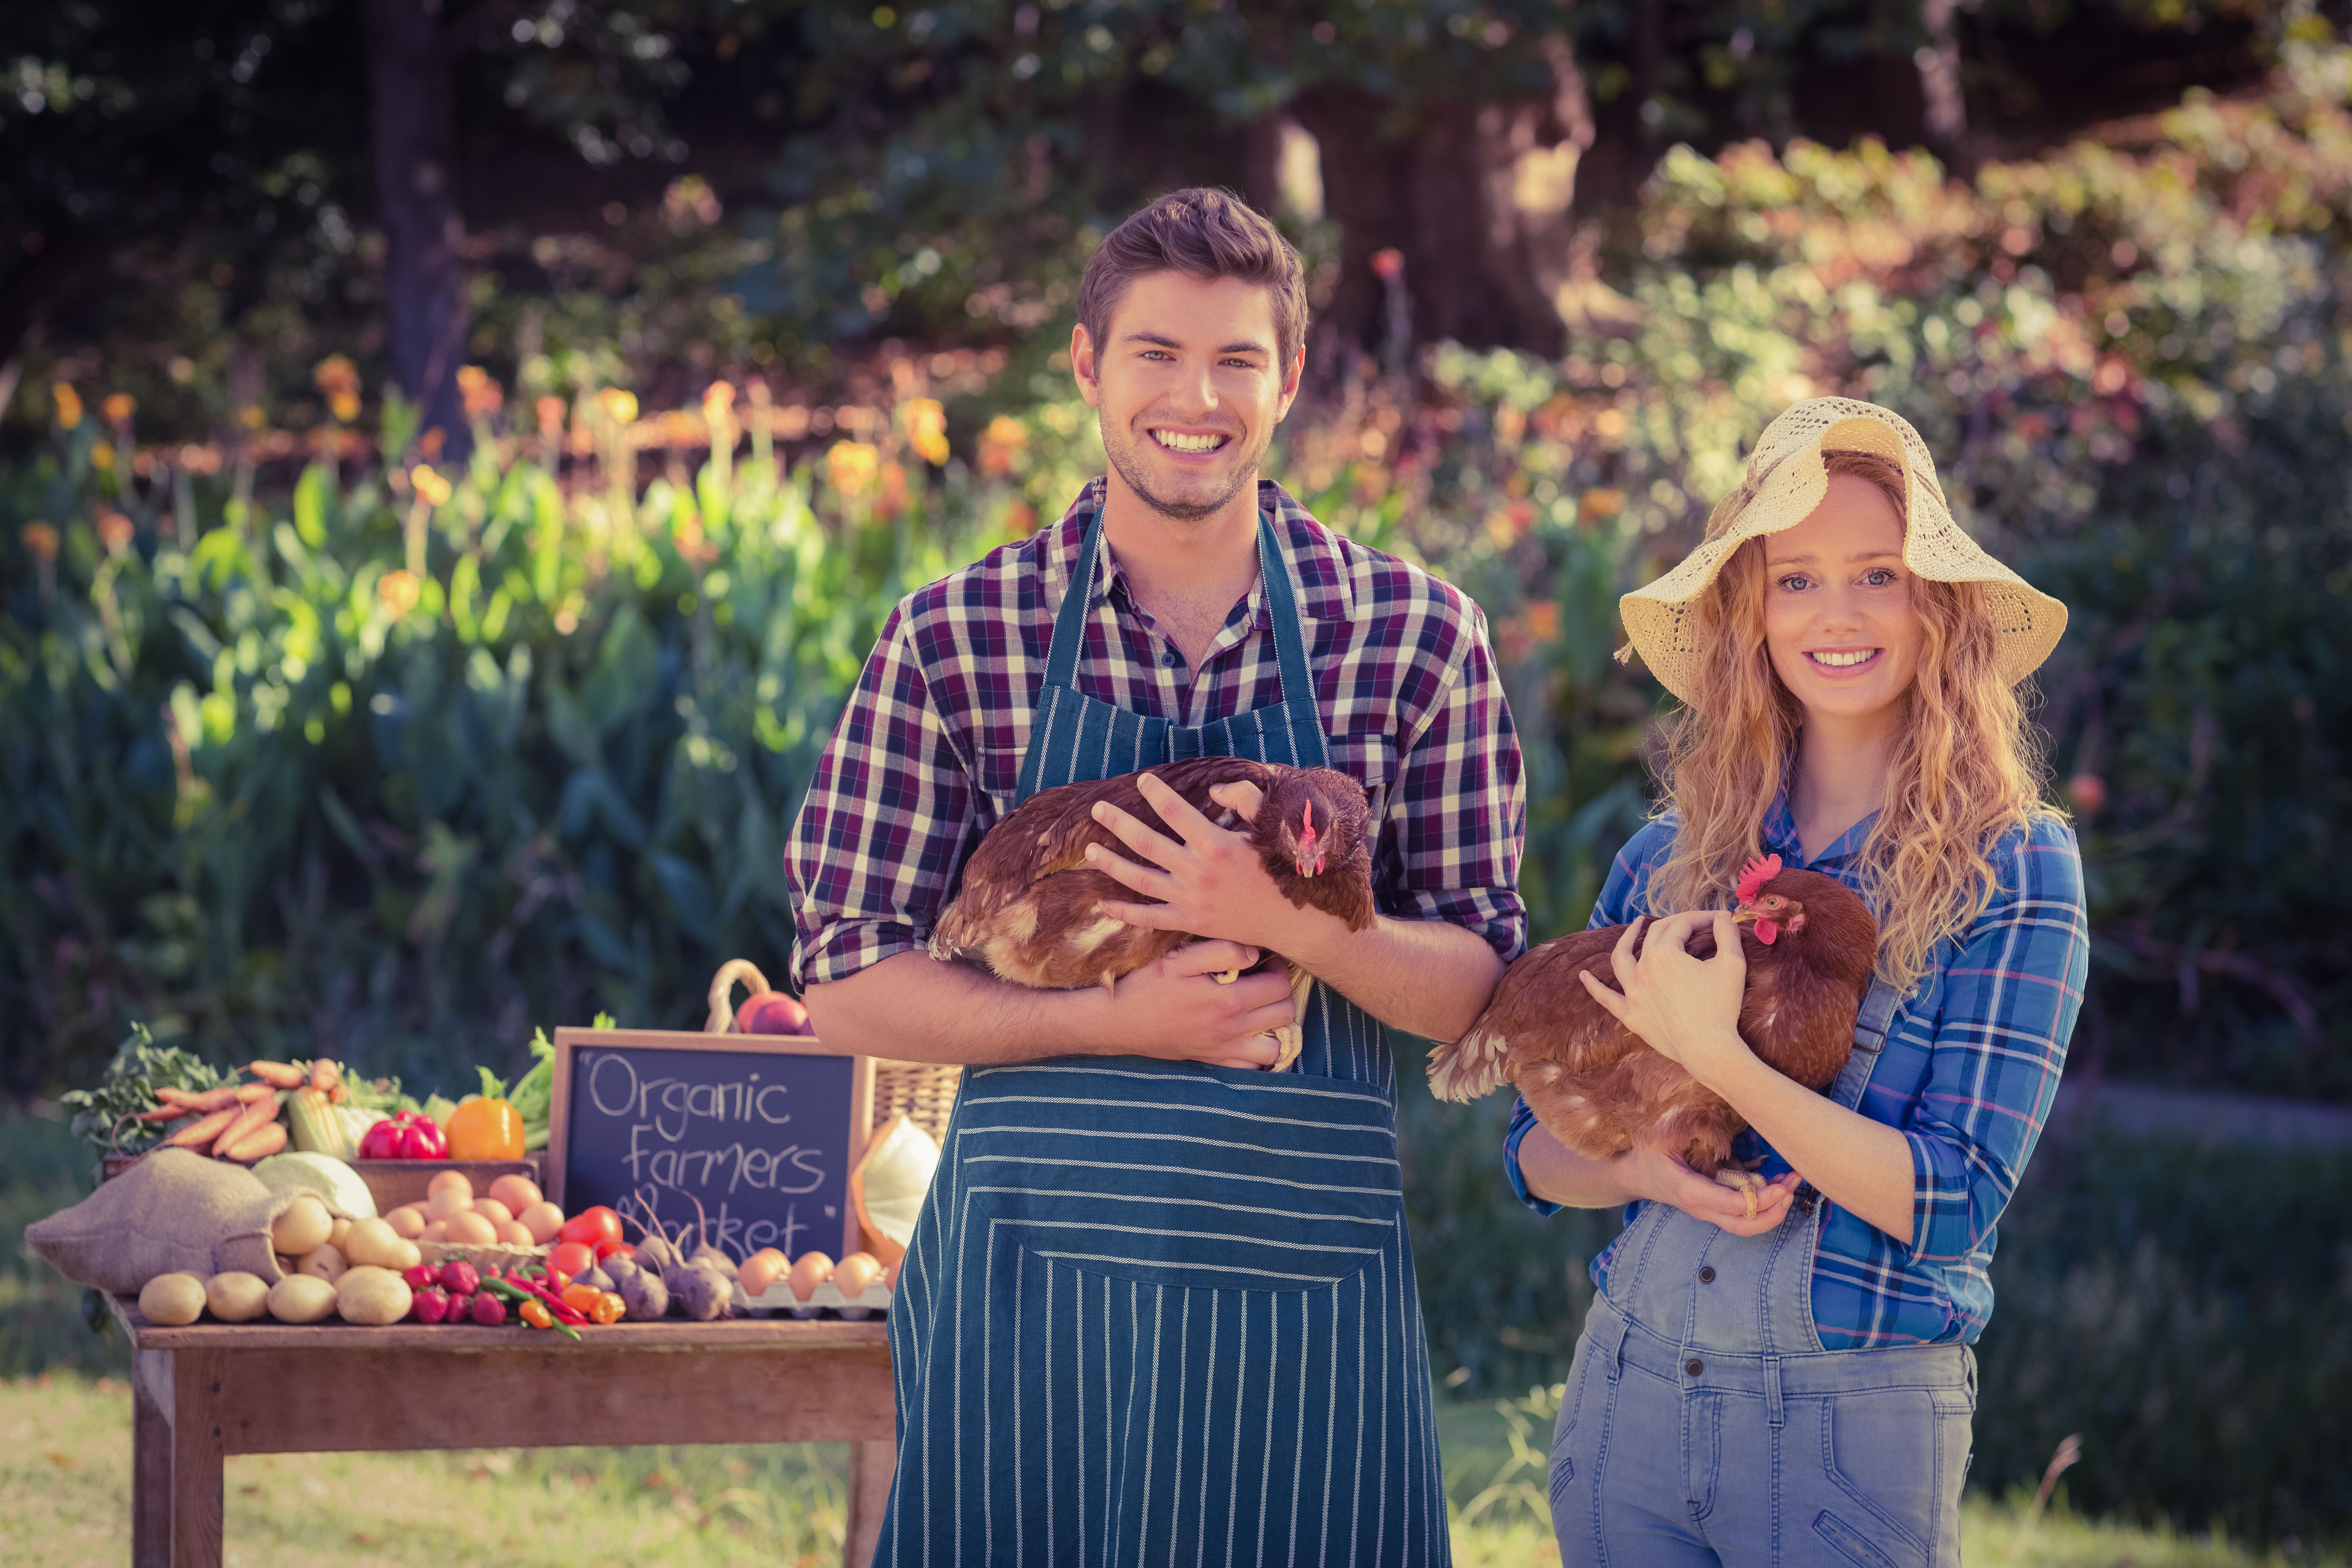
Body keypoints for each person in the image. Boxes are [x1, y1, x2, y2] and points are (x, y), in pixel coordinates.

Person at [787, 187, 1526, 1566]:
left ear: (1290, 381)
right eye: (1157, 355)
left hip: (1305, 1292)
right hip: (1028, 1283)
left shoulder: (1414, 637)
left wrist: (1278, 923)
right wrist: (1105, 1023)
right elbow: (843, 984)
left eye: (1238, 361)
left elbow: (1478, 982)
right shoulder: (958, 637)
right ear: (1087, 366)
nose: (1198, 398)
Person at [1503, 398, 2088, 1566]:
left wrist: (1720, 1063)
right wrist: (1639, 1168)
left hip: (1844, 1432)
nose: (1838, 614)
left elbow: (1954, 1202)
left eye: (1879, 574)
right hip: (1631, 1397)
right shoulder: (1670, 859)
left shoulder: (2012, 868)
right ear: (1751, 614)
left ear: (1940, 605)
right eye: (1797, 579)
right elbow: (1530, 1150)